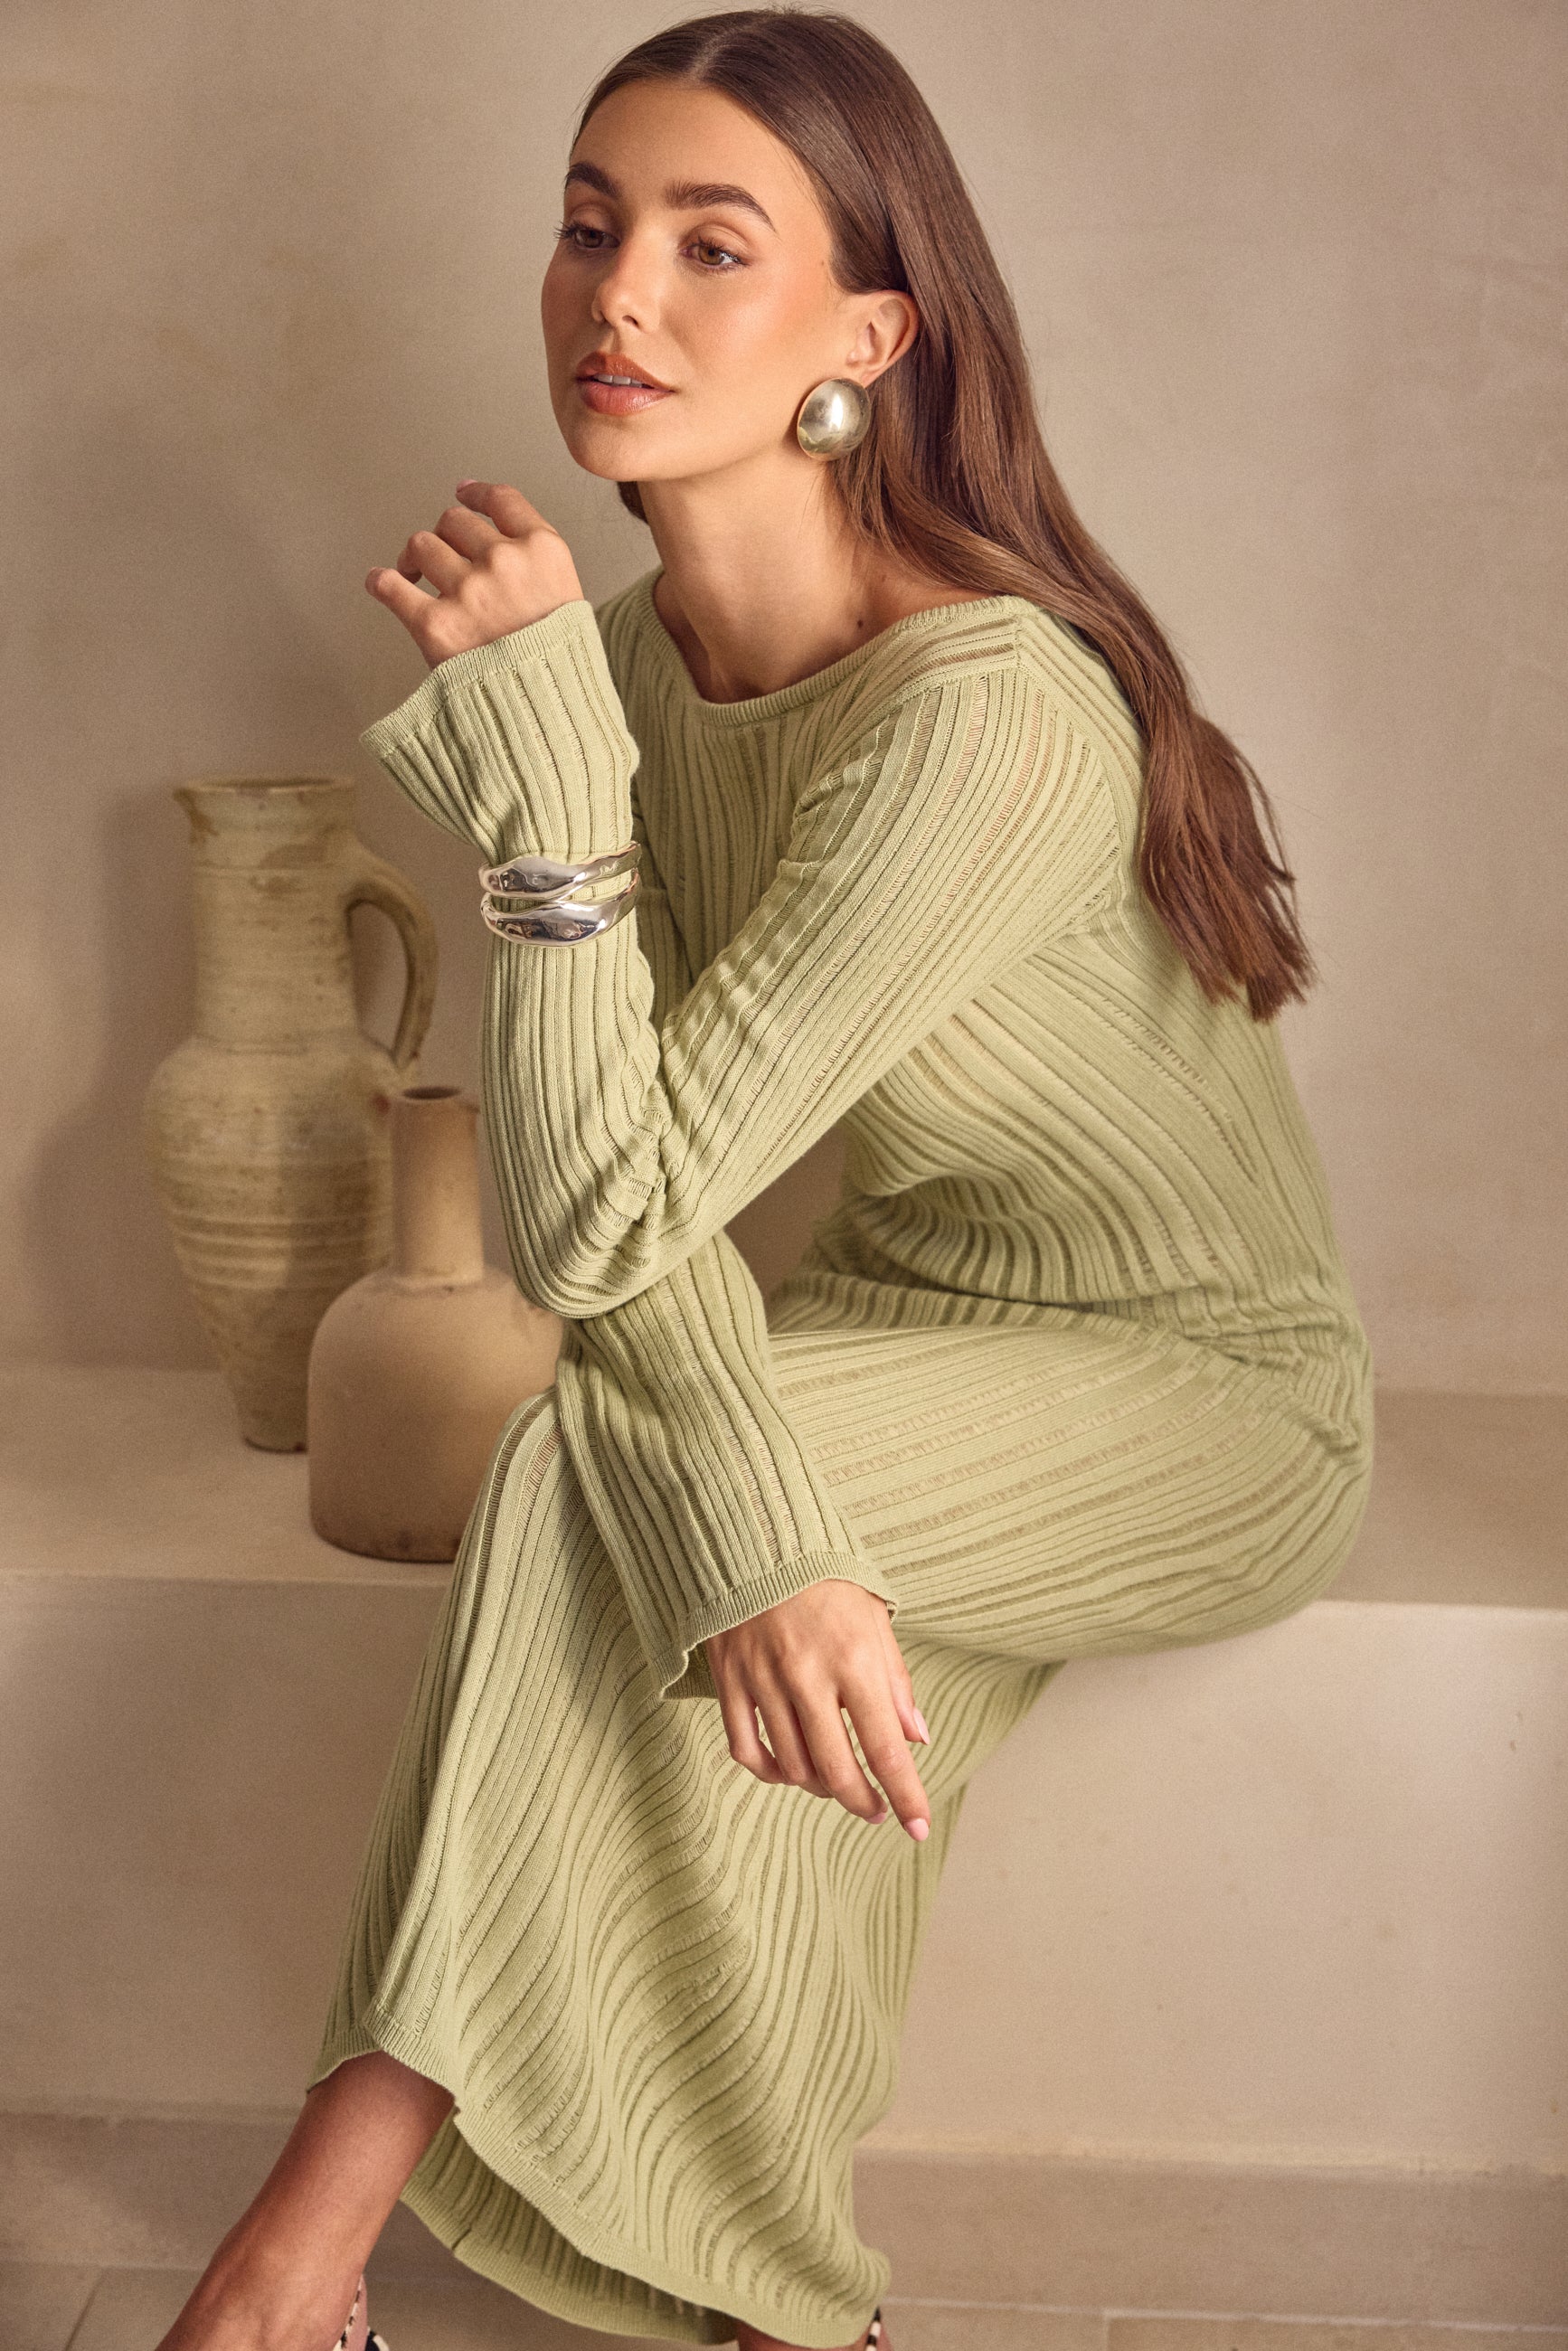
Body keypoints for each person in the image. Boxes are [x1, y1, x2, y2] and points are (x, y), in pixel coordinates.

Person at [156, 10, 1374, 2350]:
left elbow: (598, 1226)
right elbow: (628, 1205)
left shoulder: (985, 711)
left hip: (1203, 1396)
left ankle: (292, 2258)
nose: (618, 293)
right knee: (676, 1554)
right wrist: (765, 1536)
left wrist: (544, 791)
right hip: (883, 1327)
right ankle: (767, 2300)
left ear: (866, 340)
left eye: (715, 246)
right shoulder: (623, 666)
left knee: (588, 1483)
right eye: (588, 223)